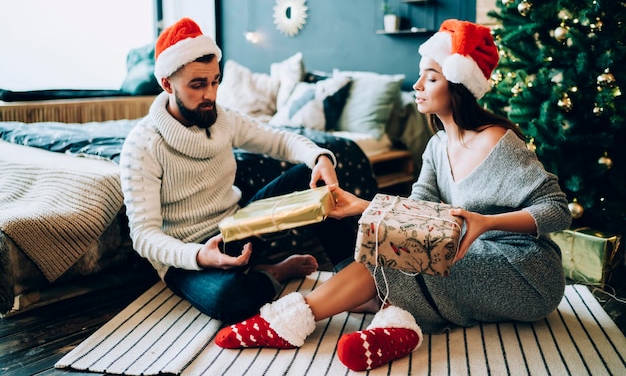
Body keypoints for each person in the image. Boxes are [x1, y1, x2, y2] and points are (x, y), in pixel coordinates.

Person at [214, 19, 572, 371]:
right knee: (393, 247)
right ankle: (396, 325)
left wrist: (486, 222)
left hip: (523, 272)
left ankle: (290, 320)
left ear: (459, 85)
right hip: (469, 257)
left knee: (393, 258)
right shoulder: (436, 146)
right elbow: (416, 212)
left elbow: (558, 209)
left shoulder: (496, 142)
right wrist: (359, 205)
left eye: (431, 78)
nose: (417, 85)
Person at [119, 17, 358, 324]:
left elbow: (280, 139)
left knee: (310, 176)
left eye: (215, 81)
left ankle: (352, 284)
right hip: (187, 254)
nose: (210, 94)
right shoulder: (142, 145)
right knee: (229, 301)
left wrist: (319, 157)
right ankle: (273, 274)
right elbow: (143, 235)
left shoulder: (224, 117)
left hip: (237, 227)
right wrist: (198, 256)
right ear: (167, 84)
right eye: (197, 84)